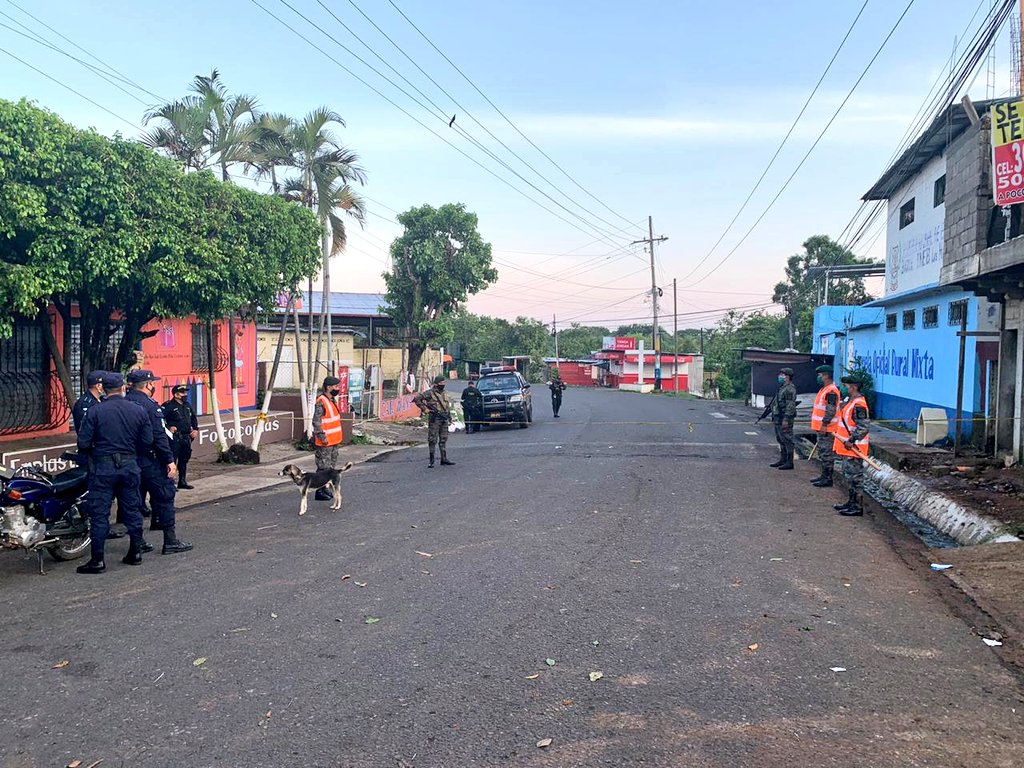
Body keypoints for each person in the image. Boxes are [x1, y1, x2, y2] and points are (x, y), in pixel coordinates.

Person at [75, 372, 151, 574]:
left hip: (103, 467)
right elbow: (146, 441)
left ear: (104, 390)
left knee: (99, 514)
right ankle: (135, 552)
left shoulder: (94, 411)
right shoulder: (138, 411)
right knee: (132, 509)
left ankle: (97, 560)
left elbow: (83, 442)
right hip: (129, 465)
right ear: (123, 388)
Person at [125, 370, 192, 554]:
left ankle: (137, 542)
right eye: (152, 383)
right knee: (165, 497)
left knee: (134, 502)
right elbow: (159, 436)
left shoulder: (123, 403)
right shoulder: (150, 406)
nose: (153, 386)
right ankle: (170, 541)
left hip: (129, 461)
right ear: (147, 385)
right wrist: (169, 460)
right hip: (151, 461)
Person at [832, 374, 871, 517]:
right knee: (849, 477)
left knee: (856, 478)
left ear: (853, 387)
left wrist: (852, 439)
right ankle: (851, 502)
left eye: (846, 386)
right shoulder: (850, 402)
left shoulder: (859, 404)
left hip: (855, 448)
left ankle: (857, 506)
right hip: (847, 448)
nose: (843, 388)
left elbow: (863, 427)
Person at [809, 365, 841, 488]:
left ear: (826, 376)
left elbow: (830, 410)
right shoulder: (824, 389)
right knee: (823, 453)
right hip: (822, 428)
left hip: (827, 428)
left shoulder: (831, 391)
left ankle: (828, 478)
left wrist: (824, 424)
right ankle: (824, 476)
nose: (818, 377)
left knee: (827, 454)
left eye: (820, 375)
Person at [312, 376, 344, 500]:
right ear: (329, 387)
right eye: (336, 387)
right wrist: (321, 436)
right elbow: (317, 421)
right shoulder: (321, 401)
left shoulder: (332, 400)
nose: (338, 389)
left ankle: (324, 489)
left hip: (334, 440)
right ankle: (319, 491)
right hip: (325, 441)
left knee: (330, 468)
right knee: (323, 467)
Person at [162, 384, 198, 489]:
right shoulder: (168, 406)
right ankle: (170, 483)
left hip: (186, 437)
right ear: (176, 395)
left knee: (184, 460)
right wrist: (169, 427)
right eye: (183, 393)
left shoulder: (187, 405)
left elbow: (193, 418)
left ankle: (182, 481)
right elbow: (160, 419)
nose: (185, 394)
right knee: (172, 460)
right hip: (175, 438)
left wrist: (195, 429)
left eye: (185, 392)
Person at [414, 375, 454, 468]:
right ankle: (431, 460)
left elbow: (447, 407)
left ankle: (444, 459)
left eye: (444, 383)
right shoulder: (429, 393)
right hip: (434, 419)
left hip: (444, 418)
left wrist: (449, 417)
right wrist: (425, 409)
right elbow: (417, 399)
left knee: (443, 439)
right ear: (436, 384)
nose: (443, 385)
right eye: (441, 383)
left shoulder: (445, 393)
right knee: (432, 440)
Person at [769, 367, 797, 470]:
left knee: (787, 439)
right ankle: (783, 459)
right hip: (778, 417)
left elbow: (790, 405)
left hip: (785, 418)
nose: (780, 376)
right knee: (780, 439)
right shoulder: (782, 387)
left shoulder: (790, 389)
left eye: (782, 374)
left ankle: (789, 462)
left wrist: (786, 419)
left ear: (787, 377)